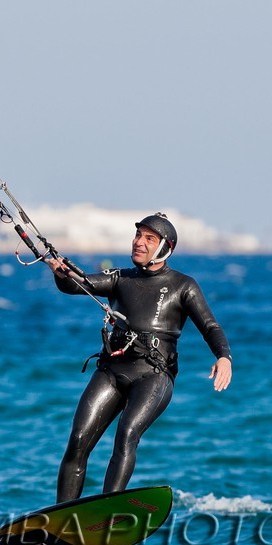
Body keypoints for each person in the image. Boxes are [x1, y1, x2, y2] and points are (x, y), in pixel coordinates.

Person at [45, 213, 232, 502]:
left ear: (165, 248)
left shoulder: (183, 286)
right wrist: (61, 273)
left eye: (149, 238)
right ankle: (62, 514)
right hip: (112, 371)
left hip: (153, 375)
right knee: (78, 439)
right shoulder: (120, 277)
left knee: (126, 434)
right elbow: (79, 284)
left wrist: (223, 357)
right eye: (138, 235)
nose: (138, 242)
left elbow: (210, 326)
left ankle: (108, 510)